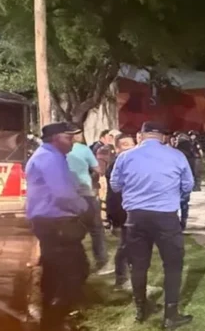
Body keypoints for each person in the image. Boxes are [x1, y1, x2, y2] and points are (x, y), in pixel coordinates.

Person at [110, 122, 194, 328]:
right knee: (173, 265)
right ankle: (170, 314)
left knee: (138, 265)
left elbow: (115, 185)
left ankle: (141, 309)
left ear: (141, 135)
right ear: (162, 137)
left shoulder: (125, 157)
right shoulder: (176, 156)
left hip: (136, 217)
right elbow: (188, 185)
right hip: (166, 216)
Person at [25, 122, 89, 331]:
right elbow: (63, 194)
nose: (72, 142)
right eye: (68, 138)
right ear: (55, 138)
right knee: (74, 272)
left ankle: (51, 320)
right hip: (56, 222)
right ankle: (55, 320)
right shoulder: (50, 158)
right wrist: (82, 206)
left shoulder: (49, 156)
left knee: (54, 272)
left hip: (49, 222)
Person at [67, 127, 109, 273]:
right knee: (96, 229)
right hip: (85, 192)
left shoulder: (58, 151)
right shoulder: (83, 149)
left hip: (67, 194)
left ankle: (75, 263)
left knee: (72, 230)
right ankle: (102, 261)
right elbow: (98, 169)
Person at [105, 133, 136, 290]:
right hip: (122, 211)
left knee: (131, 245)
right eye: (124, 145)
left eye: (131, 144)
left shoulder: (131, 162)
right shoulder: (117, 165)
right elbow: (116, 193)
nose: (129, 148)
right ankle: (123, 279)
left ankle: (129, 279)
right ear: (116, 148)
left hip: (130, 210)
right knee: (126, 245)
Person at [175, 132, 197, 230]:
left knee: (175, 203)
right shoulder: (191, 150)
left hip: (177, 180)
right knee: (184, 202)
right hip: (187, 179)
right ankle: (183, 221)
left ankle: (176, 222)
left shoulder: (177, 153)